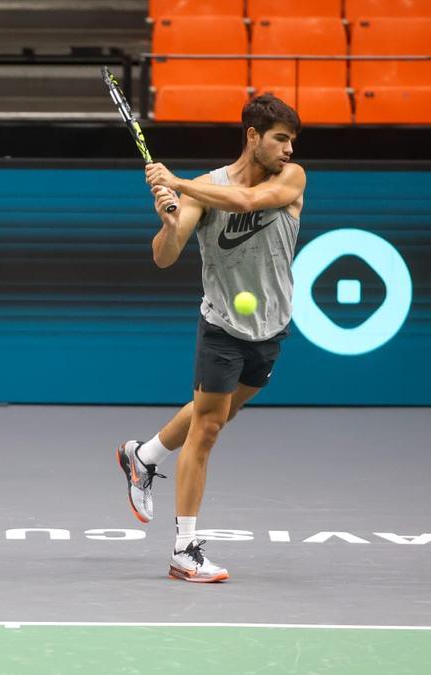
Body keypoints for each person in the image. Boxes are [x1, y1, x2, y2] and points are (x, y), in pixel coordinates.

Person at [116, 94, 305, 582]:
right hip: (221, 324)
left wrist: (178, 182)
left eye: (291, 141)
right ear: (252, 136)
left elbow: (247, 202)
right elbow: (164, 256)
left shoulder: (292, 178)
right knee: (208, 427)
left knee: (221, 411)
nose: (288, 149)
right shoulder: (202, 189)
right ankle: (185, 550)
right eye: (280, 139)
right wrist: (169, 219)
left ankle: (144, 455)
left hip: (270, 326)